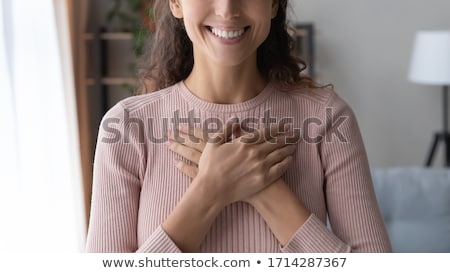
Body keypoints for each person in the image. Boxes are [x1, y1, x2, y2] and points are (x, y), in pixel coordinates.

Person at [85, 0, 392, 253]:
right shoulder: (126, 127)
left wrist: (266, 189)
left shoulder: (329, 119)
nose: (227, 9)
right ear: (176, 3)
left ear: (274, 5)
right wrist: (210, 190)